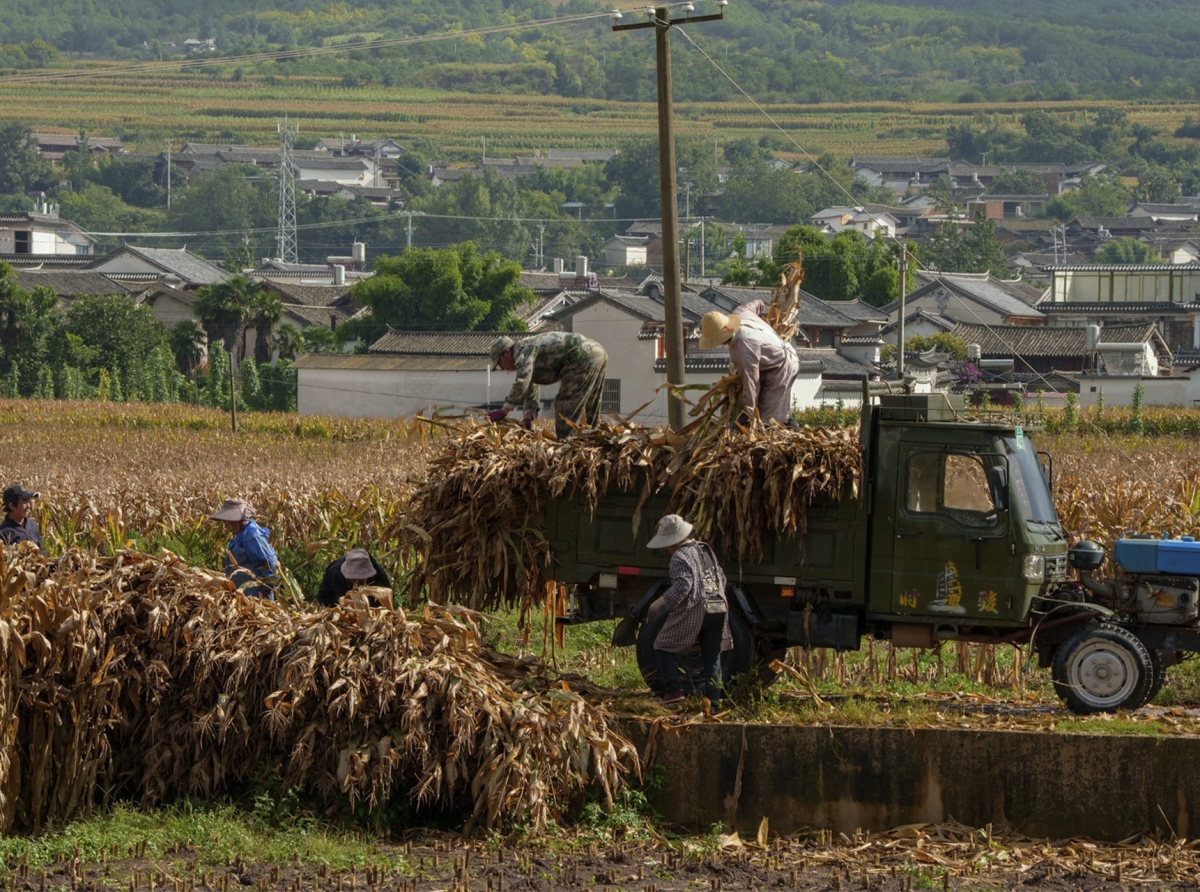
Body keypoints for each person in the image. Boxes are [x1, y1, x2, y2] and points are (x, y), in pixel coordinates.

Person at [646, 513, 732, 713]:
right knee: (713, 657)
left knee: (662, 644)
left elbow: (684, 585)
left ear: (673, 541)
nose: (666, 548)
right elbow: (722, 578)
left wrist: (660, 603)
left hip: (698, 607)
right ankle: (713, 705)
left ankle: (674, 691)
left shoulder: (679, 556)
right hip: (719, 605)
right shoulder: (704, 549)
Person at [488, 332, 609, 439]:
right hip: (597, 352)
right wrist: (528, 415)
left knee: (564, 404)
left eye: (499, 363)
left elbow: (522, 381)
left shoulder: (522, 350)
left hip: (582, 355)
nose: (502, 368)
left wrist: (504, 410)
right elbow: (530, 385)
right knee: (592, 402)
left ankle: (566, 443)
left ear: (506, 352)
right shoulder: (526, 352)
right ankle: (593, 438)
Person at [698, 301, 800, 425]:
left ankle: (793, 430)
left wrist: (748, 414)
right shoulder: (741, 313)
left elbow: (751, 384)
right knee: (769, 408)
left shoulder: (743, 347)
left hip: (783, 366)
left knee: (770, 419)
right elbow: (759, 304)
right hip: (775, 358)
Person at [208, 498, 279, 599]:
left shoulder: (250, 536)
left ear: (236, 520)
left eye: (227, 519)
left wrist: (266, 592)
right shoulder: (238, 534)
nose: (224, 523)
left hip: (255, 596)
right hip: (242, 594)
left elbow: (269, 564)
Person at [317, 548, 392, 607]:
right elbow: (324, 600)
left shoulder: (379, 576)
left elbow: (386, 600)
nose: (357, 581)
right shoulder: (333, 574)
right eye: (354, 578)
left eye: (361, 578)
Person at [0, 484, 41, 549]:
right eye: (25, 501)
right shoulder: (3, 534)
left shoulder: (33, 525)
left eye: (28, 501)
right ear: (11, 506)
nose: (29, 506)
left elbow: (41, 551)